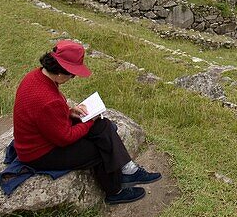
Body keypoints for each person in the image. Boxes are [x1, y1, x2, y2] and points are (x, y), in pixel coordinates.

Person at [12, 41, 161, 205]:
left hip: (47, 135)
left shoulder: (36, 76)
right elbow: (64, 138)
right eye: (72, 75)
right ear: (61, 74)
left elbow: (45, 114)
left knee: (103, 126)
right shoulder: (47, 100)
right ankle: (115, 191)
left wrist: (70, 111)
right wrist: (89, 121)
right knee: (99, 149)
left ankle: (128, 170)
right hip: (40, 153)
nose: (73, 78)